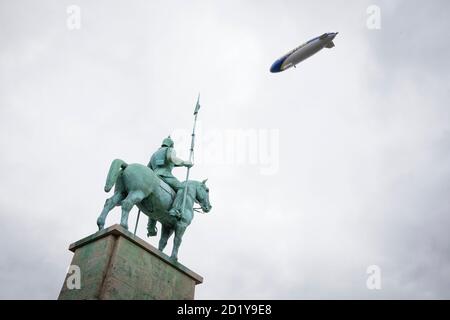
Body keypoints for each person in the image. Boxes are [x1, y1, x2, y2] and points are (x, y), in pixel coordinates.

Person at [146, 136, 192, 236]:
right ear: (171, 145)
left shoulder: (154, 155)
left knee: (153, 198)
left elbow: (148, 168)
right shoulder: (170, 149)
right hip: (165, 175)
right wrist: (185, 163)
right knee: (183, 188)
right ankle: (174, 209)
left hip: (153, 176)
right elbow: (172, 158)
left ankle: (150, 226)